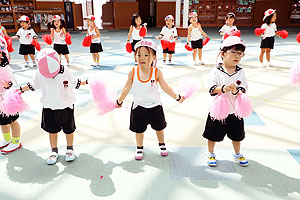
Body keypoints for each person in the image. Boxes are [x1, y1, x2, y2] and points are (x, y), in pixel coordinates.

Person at [116, 39, 184, 160]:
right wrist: (119, 100)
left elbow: (165, 87)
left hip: (155, 106)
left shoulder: (156, 72)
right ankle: (139, 147)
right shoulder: (133, 72)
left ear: (154, 57)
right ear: (135, 56)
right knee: (139, 130)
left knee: (159, 128)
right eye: (139, 55)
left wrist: (176, 97)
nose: (142, 58)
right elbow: (126, 88)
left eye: (146, 55)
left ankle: (162, 144)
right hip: (138, 106)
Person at [19, 48, 88, 165]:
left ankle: (70, 149)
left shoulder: (65, 70)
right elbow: (33, 85)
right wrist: (20, 90)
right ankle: (54, 150)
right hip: (49, 106)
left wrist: (87, 81)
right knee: (52, 130)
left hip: (66, 106)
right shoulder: (40, 72)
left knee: (69, 130)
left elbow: (74, 82)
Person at [203, 36, 249, 167]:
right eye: (233, 52)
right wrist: (222, 88)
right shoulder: (216, 71)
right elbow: (211, 88)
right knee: (212, 134)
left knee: (237, 135)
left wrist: (236, 91)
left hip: (235, 110)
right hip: (218, 110)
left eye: (240, 53)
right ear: (223, 53)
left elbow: (244, 88)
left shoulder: (240, 72)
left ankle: (237, 153)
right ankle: (210, 153)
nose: (237, 56)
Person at [0, 51, 22, 154]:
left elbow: (11, 81)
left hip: (7, 99)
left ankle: (16, 141)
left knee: (12, 121)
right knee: (2, 122)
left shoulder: (5, 67)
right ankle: (7, 139)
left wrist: (7, 85)